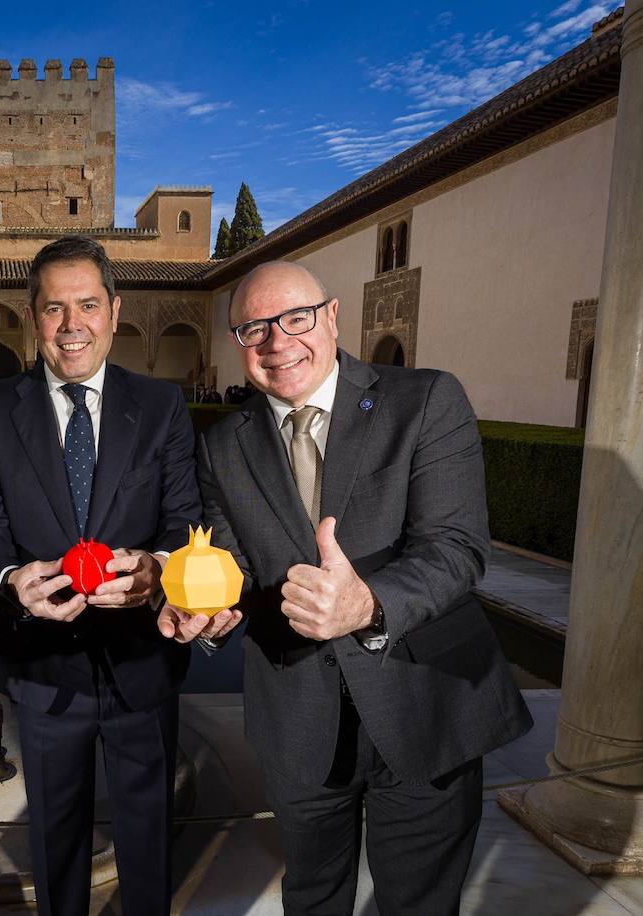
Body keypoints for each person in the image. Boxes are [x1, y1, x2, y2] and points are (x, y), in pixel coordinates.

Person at [165, 260, 532, 915]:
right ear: (239, 344)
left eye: (295, 319)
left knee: (417, 903)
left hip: (423, 705)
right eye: (254, 329)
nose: (278, 342)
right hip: (299, 717)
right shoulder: (223, 445)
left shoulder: (425, 401)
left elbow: (456, 549)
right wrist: (210, 608)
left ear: (332, 317)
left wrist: (368, 603)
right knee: (312, 897)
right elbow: (233, 566)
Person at [0, 235, 202, 915]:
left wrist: (157, 568)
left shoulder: (161, 406)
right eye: (54, 308)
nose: (72, 326)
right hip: (42, 670)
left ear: (115, 311)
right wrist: (11, 579)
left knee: (148, 846)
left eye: (88, 305)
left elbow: (185, 520)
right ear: (32, 315)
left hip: (142, 666)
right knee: (56, 847)